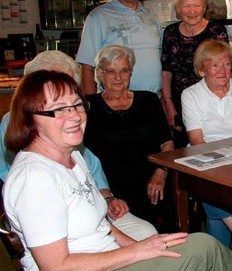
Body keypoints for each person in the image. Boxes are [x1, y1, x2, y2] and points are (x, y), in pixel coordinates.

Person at [2, 70, 232, 271]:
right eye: (59, 110)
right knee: (204, 248)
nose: (75, 116)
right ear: (30, 119)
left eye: (77, 105)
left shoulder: (72, 158)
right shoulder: (35, 178)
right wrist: (135, 253)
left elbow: (103, 226)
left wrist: (143, 245)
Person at [0, 51, 156, 241]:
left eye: (74, 102)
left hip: (96, 212)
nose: (73, 115)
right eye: (57, 103)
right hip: (68, 226)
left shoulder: (72, 147)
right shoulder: (30, 172)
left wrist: (107, 198)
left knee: (148, 234)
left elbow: (92, 169)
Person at [181, 40, 232, 258]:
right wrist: (223, 161)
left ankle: (219, 260)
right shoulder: (190, 94)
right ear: (201, 70)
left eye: (227, 64)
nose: (222, 70)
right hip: (203, 157)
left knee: (215, 197)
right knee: (213, 183)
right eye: (214, 65)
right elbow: (197, 140)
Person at [83, 45, 174, 231]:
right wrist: (106, 195)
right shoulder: (87, 107)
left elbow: (168, 143)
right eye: (111, 71)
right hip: (111, 190)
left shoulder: (149, 101)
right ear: (99, 74)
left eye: (124, 70)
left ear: (131, 73)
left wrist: (160, 172)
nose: (118, 77)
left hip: (155, 181)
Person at [76, 0, 163, 95]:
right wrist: (92, 106)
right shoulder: (98, 17)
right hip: (116, 103)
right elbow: (87, 67)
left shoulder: (151, 16)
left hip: (153, 101)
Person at [161, 0, 229, 148]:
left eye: (197, 5)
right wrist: (168, 104)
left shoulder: (216, 30)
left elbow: (226, 69)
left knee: (211, 149)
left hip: (210, 105)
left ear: (204, 7)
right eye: (186, 6)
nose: (192, 11)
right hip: (179, 106)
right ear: (177, 9)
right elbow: (166, 72)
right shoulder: (170, 33)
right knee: (183, 155)